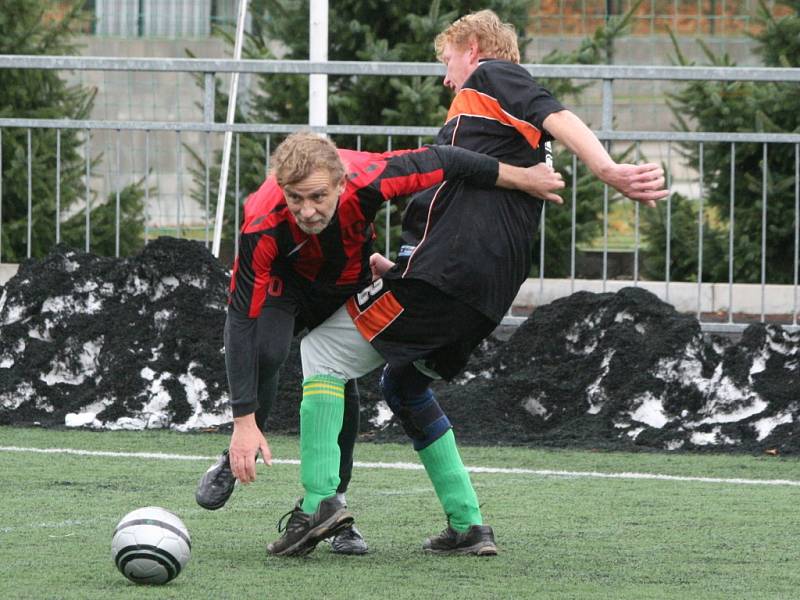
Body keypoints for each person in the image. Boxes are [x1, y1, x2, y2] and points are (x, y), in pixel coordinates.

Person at [266, 10, 669, 558]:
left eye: (447, 61)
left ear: (473, 48)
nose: (445, 77)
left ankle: (317, 504)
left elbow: (560, 114)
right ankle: (469, 525)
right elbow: (467, 202)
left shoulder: (492, 77)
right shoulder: (502, 131)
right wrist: (404, 264)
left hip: (445, 279)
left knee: (321, 352)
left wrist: (607, 170)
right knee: (403, 387)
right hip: (479, 298)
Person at [196, 130, 567, 554]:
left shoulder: (370, 174)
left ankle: (330, 510)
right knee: (276, 352)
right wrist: (243, 420)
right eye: (295, 198)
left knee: (332, 367)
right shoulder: (262, 216)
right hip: (295, 285)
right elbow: (240, 317)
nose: (306, 210)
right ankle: (244, 452)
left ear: (341, 181)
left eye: (317, 196)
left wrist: (524, 178)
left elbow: (448, 159)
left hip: (353, 283)